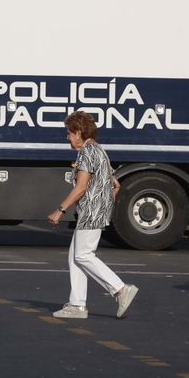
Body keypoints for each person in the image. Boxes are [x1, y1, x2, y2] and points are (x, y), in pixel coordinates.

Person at [47, 112, 138, 319]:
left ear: (78, 133)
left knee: (83, 255)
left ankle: (120, 289)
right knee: (75, 257)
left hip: (91, 212)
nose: (67, 138)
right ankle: (76, 305)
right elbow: (115, 184)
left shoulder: (86, 152)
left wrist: (59, 210)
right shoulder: (98, 150)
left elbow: (80, 188)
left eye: (69, 133)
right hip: (97, 210)